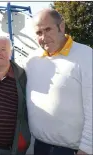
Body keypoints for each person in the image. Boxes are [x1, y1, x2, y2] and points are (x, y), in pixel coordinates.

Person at [24, 9, 92, 155]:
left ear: (61, 27)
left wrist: (87, 148)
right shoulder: (32, 59)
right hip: (39, 147)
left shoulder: (86, 56)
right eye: (38, 33)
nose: (44, 37)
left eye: (48, 29)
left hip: (73, 150)